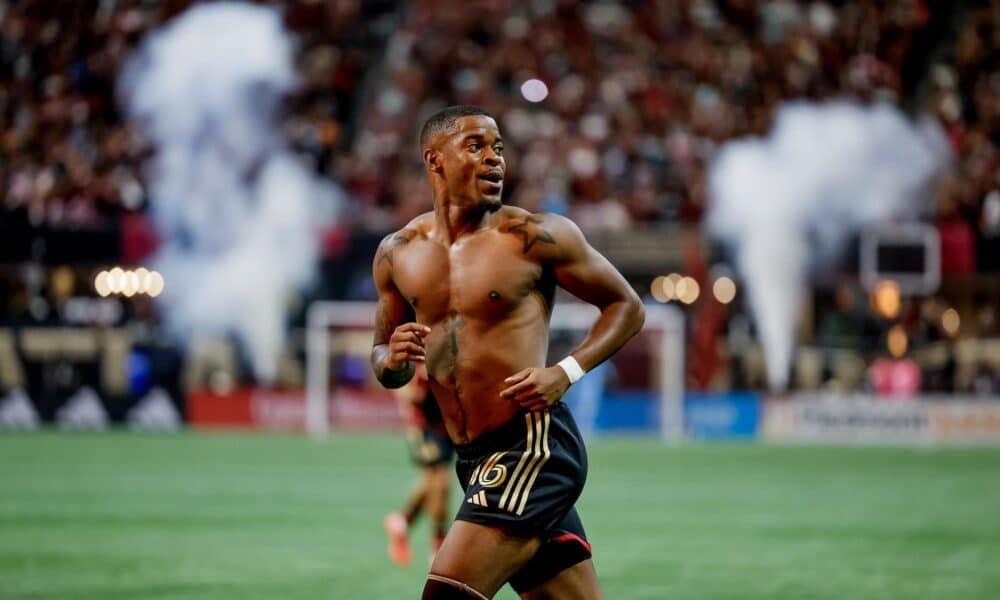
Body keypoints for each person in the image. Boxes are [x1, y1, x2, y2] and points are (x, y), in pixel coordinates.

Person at [370, 105, 645, 599]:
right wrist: (389, 361)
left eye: (498, 148)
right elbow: (381, 356)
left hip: (530, 444)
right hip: (476, 458)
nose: (494, 159)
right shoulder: (398, 252)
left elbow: (626, 306)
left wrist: (566, 371)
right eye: (475, 146)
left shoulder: (535, 236)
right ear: (435, 161)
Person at [384, 363, 454, 566]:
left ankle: (402, 522)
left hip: (450, 422)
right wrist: (413, 390)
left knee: (432, 480)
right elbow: (394, 375)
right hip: (425, 424)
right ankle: (439, 542)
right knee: (441, 479)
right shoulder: (416, 346)